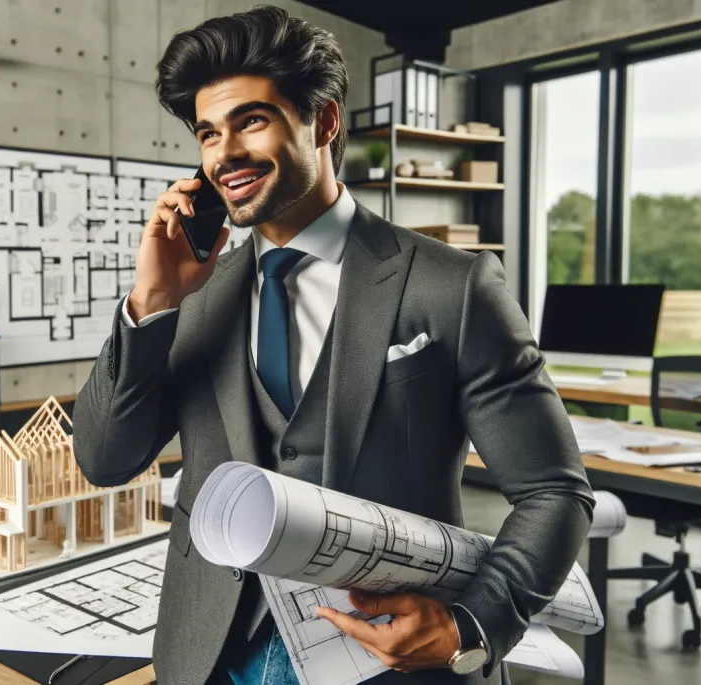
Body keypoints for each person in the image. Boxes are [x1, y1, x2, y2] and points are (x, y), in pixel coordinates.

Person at [73, 6, 594, 684]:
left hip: (390, 661)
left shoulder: (453, 285)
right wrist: (150, 303)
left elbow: (554, 489)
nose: (224, 152)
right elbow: (105, 458)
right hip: (209, 656)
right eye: (207, 133)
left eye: (250, 121)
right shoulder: (192, 294)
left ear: (323, 120)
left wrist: (472, 626)